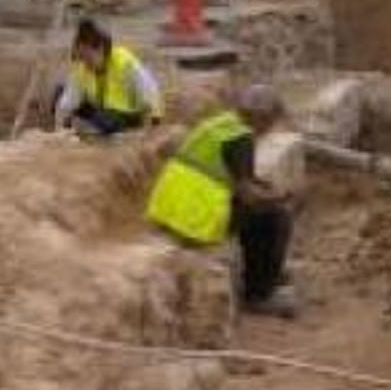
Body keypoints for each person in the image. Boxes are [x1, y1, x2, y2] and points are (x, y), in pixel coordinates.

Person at [146, 84, 296, 318]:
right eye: (271, 122)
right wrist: (280, 196)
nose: (270, 129)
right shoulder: (242, 138)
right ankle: (260, 293)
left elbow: (233, 174)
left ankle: (266, 269)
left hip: (171, 209)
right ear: (263, 118)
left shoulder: (221, 124)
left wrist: (262, 187)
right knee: (274, 217)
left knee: (260, 210)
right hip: (194, 218)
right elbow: (248, 195)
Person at [54, 19, 164, 136]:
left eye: (88, 57)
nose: (85, 63)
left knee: (105, 120)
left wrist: (153, 123)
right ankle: (79, 130)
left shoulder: (124, 62)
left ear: (100, 49)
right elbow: (68, 101)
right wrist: (59, 129)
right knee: (60, 92)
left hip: (126, 116)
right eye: (81, 57)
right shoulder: (83, 68)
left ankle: (99, 131)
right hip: (100, 111)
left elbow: (150, 92)